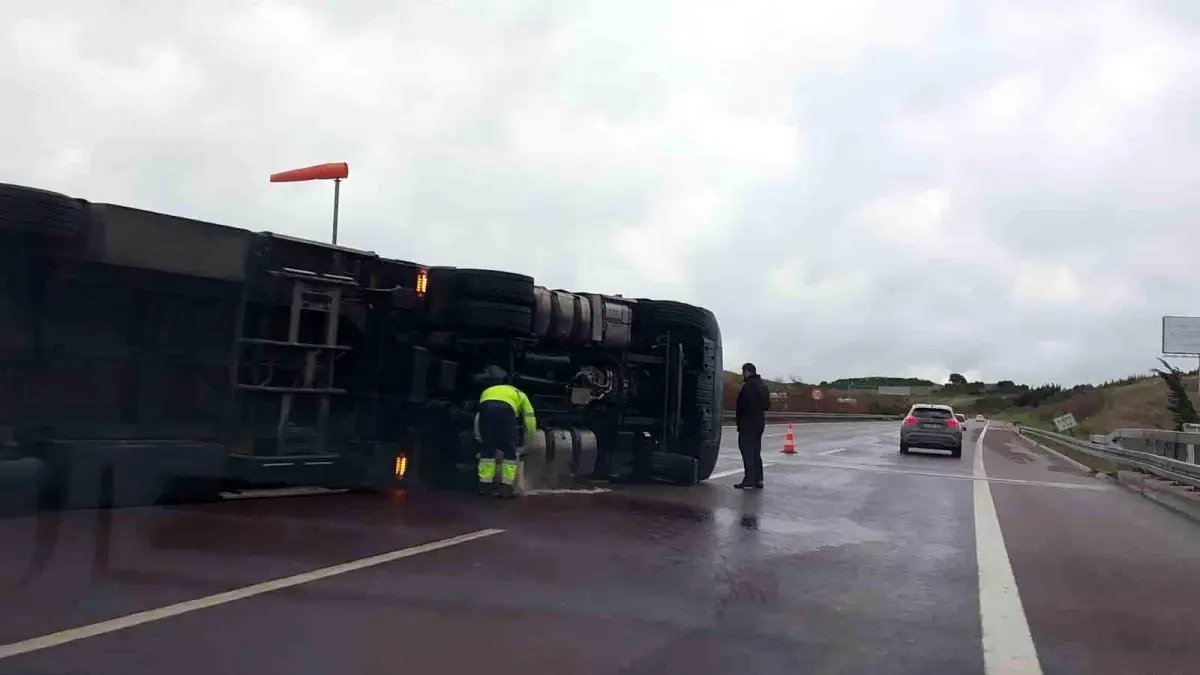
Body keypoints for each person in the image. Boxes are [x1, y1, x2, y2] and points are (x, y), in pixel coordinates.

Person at [472, 368, 538, 498]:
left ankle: (484, 486)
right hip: (506, 411)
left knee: (488, 449)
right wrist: (528, 439)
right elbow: (530, 420)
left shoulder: (487, 391)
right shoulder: (520, 395)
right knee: (509, 450)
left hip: (486, 410)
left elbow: (478, 418)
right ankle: (506, 487)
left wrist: (479, 437)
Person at [734, 362, 771, 489]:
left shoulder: (748, 386)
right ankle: (758, 479)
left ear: (747, 371)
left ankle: (749, 479)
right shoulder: (763, 386)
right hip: (759, 422)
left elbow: (743, 405)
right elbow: (767, 406)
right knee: (756, 451)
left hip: (748, 422)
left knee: (747, 450)